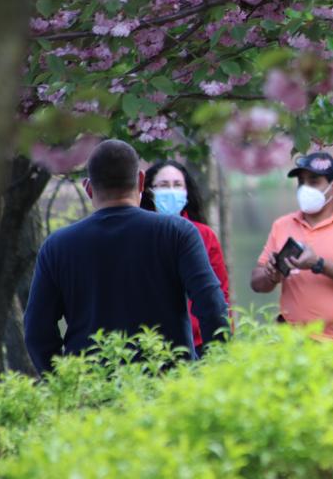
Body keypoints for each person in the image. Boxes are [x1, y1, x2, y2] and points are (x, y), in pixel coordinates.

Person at [24, 140, 229, 374]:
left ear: (88, 188)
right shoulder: (178, 233)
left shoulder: (57, 246)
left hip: (92, 391)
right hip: (169, 388)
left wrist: (62, 383)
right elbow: (212, 306)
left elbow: (37, 331)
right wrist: (213, 371)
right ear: (141, 181)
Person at [252, 151, 333, 337]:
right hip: (290, 340)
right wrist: (271, 274)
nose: (305, 188)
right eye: (301, 182)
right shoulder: (283, 225)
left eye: (313, 181)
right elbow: (256, 283)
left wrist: (318, 264)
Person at [140, 160, 231, 356]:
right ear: (149, 191)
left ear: (187, 191)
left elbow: (221, 293)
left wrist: (223, 342)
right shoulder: (138, 234)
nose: (171, 191)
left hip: (199, 344)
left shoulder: (205, 235)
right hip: (150, 344)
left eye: (177, 185)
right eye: (163, 185)